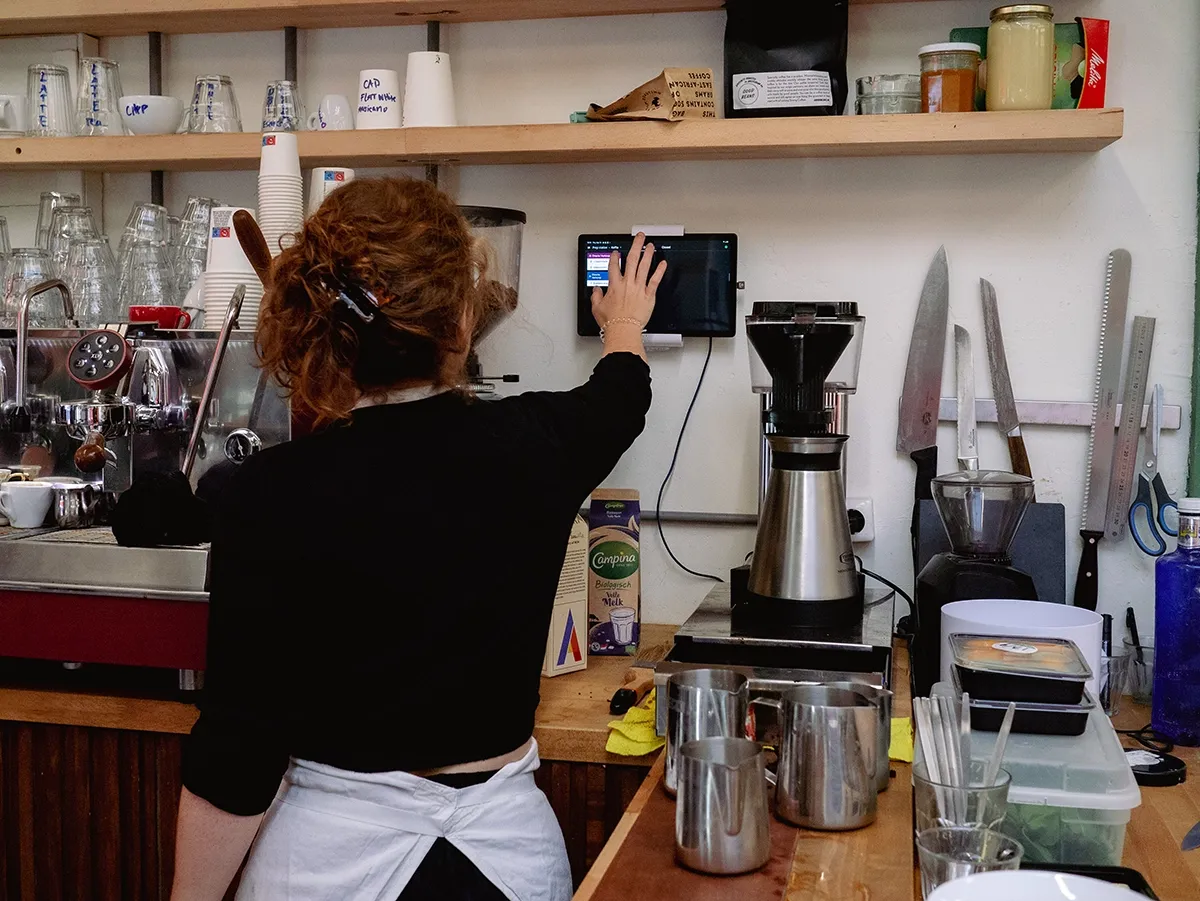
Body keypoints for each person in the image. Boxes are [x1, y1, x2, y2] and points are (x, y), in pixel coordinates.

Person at [170, 176, 666, 901]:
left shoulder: (265, 494)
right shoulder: (541, 444)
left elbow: (237, 755)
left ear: (321, 323)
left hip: (324, 868)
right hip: (510, 866)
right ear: (462, 322)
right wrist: (624, 323)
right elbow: (622, 394)